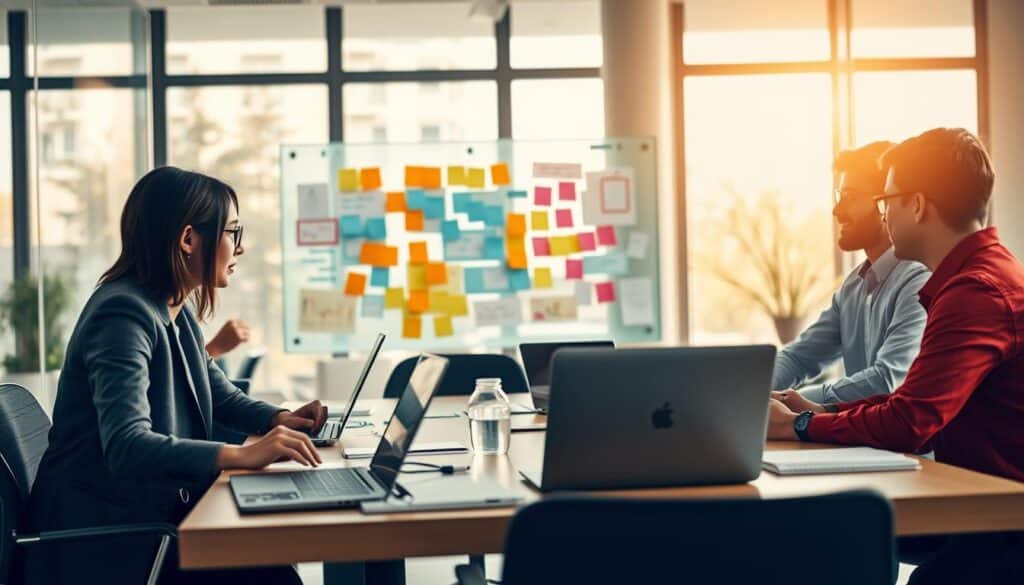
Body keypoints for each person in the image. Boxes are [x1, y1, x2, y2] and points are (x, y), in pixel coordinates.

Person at [25, 167, 328, 585]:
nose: (239, 249)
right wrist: (239, 455)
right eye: (232, 233)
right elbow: (127, 445)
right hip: (107, 540)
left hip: (146, 516)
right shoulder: (123, 314)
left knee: (270, 563)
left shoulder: (174, 306)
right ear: (188, 239)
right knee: (270, 572)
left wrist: (277, 419)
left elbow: (217, 395)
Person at [768, 128, 1024, 584]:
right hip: (978, 503)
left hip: (1003, 522)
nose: (884, 216)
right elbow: (912, 400)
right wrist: (820, 409)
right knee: (847, 532)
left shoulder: (975, 292)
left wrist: (800, 424)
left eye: (887, 202)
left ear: (918, 204)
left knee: (850, 534)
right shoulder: (971, 278)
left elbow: (909, 420)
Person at [772, 141, 930, 403]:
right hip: (861, 441)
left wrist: (791, 402)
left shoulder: (918, 280)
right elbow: (799, 357)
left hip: (903, 444)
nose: (837, 211)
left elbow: (885, 381)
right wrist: (748, 392)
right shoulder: (853, 287)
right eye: (839, 197)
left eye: (851, 197)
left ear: (885, 203)